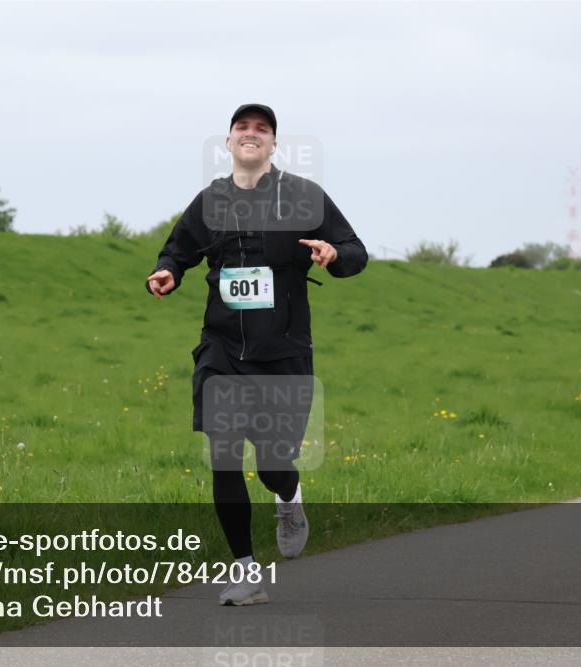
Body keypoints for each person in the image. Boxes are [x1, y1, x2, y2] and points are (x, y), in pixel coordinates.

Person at [145, 104, 368, 606]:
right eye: (242, 128)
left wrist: (333, 256)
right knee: (223, 455)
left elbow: (356, 252)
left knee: (272, 464)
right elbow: (177, 251)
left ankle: (287, 496)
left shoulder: (305, 197)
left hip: (283, 352)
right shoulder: (210, 201)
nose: (251, 134)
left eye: (261, 129)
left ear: (273, 145)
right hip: (222, 349)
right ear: (228, 144)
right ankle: (245, 572)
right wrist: (167, 273)